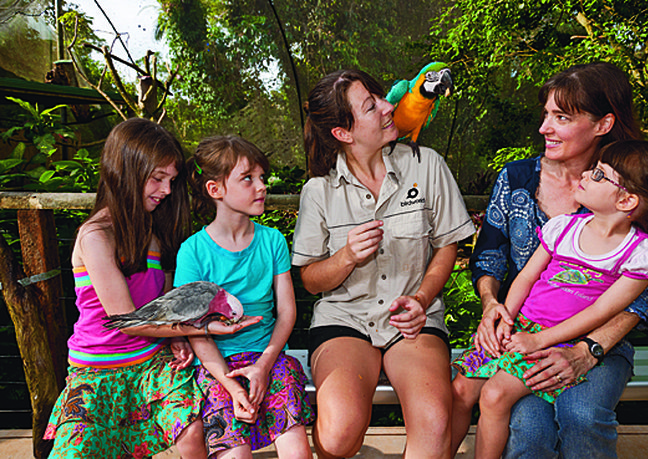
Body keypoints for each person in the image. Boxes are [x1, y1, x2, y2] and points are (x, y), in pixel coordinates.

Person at [452, 61, 648, 458]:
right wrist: (492, 306)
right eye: (545, 114)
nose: (543, 128)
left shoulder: (629, 187)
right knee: (499, 409)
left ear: (603, 124)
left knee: (573, 415)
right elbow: (490, 257)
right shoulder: (516, 178)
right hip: (522, 329)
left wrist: (588, 350)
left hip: (597, 339)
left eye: (561, 117)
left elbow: (644, 296)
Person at [43, 118, 258, 458]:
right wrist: (200, 327)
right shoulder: (95, 237)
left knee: (192, 428)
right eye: (158, 178)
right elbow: (125, 319)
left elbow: (161, 307)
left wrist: (176, 339)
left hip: (149, 363)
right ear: (125, 170)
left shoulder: (153, 237)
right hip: (95, 371)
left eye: (171, 180)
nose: (167, 190)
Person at [291, 69, 476, 458]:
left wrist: (422, 299)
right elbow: (310, 280)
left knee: (434, 422)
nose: (389, 106)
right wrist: (345, 257)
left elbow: (447, 247)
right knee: (338, 433)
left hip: (413, 321)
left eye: (381, 97)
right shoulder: (318, 190)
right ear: (343, 133)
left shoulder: (427, 165)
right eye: (371, 106)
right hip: (344, 319)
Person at [174, 135, 314, 459]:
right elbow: (194, 329)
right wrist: (232, 385)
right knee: (235, 455)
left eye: (262, 178)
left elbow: (287, 312)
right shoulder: (193, 252)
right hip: (216, 368)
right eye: (247, 179)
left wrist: (264, 365)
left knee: (298, 451)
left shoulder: (273, 241)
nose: (261, 186)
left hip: (270, 358)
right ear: (215, 190)